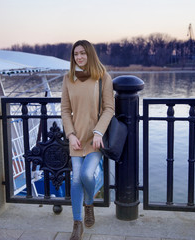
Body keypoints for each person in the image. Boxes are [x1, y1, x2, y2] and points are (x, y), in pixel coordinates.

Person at [61, 40, 114, 240]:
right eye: (76, 54)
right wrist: (71, 135)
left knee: (87, 175)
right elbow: (65, 110)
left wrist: (99, 132)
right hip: (76, 139)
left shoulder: (103, 77)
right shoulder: (68, 79)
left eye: (83, 53)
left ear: (90, 54)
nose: (79, 57)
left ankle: (89, 203)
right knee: (75, 179)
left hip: (94, 139)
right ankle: (77, 223)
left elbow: (109, 108)